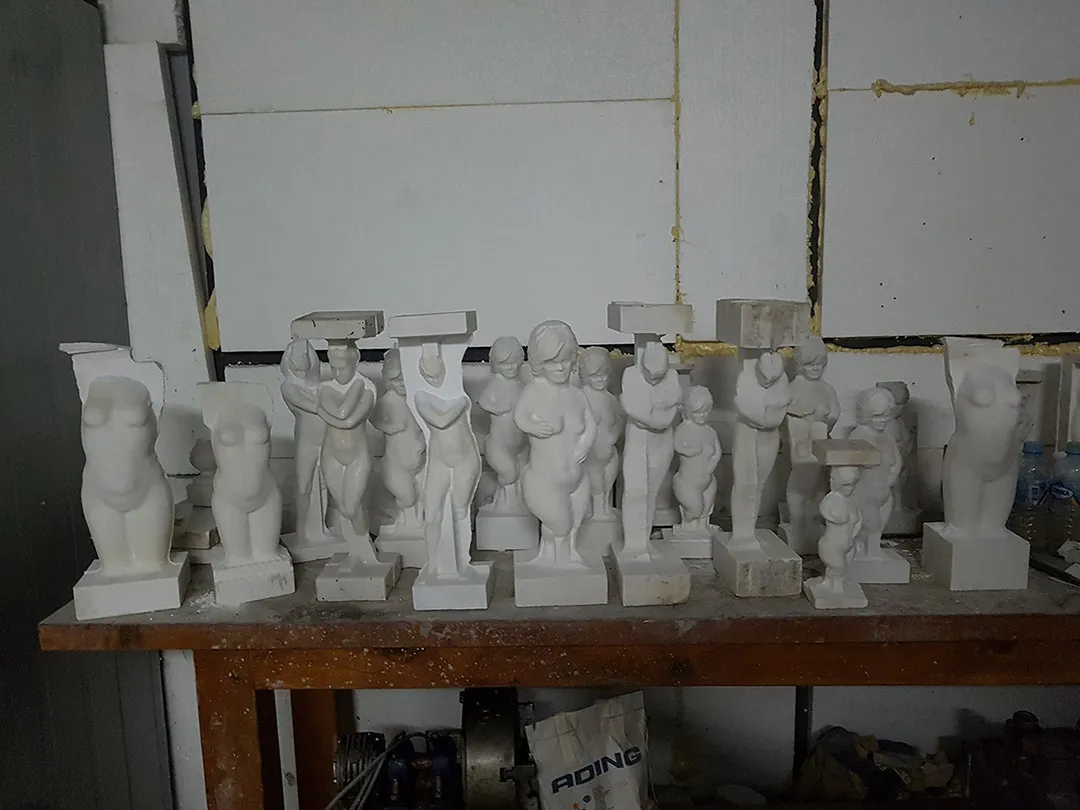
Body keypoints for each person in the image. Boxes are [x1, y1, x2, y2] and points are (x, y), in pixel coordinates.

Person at [514, 320, 597, 567]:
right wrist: (533, 427)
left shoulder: (576, 394)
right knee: (560, 524)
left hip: (577, 478)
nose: (560, 367)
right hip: (544, 480)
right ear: (539, 363)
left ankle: (564, 556)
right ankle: (553, 557)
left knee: (574, 524)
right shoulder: (533, 392)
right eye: (551, 362)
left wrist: (585, 444)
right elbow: (519, 417)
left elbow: (591, 424)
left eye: (565, 360)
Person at [414, 352, 481, 573]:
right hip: (439, 461)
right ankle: (433, 562)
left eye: (437, 375)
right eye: (429, 376)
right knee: (432, 513)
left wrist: (460, 403)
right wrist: (458, 405)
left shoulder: (459, 396)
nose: (435, 381)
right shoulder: (421, 397)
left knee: (461, 510)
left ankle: (462, 562)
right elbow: (440, 421)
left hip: (465, 459)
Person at [317, 342, 377, 556]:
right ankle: (356, 551)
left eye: (342, 368)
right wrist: (335, 414)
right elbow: (341, 415)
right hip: (331, 455)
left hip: (357, 456)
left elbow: (346, 417)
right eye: (333, 368)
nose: (337, 373)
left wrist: (323, 413)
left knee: (352, 506)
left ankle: (365, 549)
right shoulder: (325, 387)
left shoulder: (367, 387)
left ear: (354, 362)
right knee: (343, 508)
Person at [280, 339, 328, 546]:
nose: (302, 373)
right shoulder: (288, 387)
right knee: (304, 485)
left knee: (324, 484)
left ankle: (321, 529)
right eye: (297, 368)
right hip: (306, 441)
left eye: (305, 368)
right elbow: (313, 407)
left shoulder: (319, 386)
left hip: (325, 441)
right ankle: (302, 530)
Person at [371, 348, 425, 529]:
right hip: (396, 465)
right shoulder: (387, 401)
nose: (402, 383)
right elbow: (374, 418)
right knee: (407, 497)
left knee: (423, 497)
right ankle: (399, 517)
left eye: (405, 377)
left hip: (420, 463)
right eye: (396, 379)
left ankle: (411, 524)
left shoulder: (416, 399)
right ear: (387, 379)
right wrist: (390, 427)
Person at [478, 336, 528, 509]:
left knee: (523, 474)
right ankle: (502, 500)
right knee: (509, 474)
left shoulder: (520, 386)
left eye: (513, 363)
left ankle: (515, 503)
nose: (510, 367)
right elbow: (482, 401)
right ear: (495, 365)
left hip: (521, 445)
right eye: (505, 364)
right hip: (499, 445)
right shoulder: (495, 385)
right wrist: (496, 408)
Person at [578, 347, 624, 517]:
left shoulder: (610, 398)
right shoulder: (582, 397)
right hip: (591, 453)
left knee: (608, 479)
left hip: (609, 451)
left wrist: (614, 435)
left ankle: (604, 507)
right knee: (595, 481)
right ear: (585, 375)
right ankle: (595, 510)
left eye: (604, 375)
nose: (601, 379)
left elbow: (620, 419)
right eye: (595, 375)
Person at [672, 386, 721, 532]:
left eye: (706, 412)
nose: (703, 415)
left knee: (706, 509)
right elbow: (675, 444)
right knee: (695, 510)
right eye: (698, 412)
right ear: (688, 411)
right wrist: (688, 451)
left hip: (708, 480)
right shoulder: (683, 429)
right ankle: (686, 524)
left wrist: (712, 464)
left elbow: (718, 451)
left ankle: (702, 528)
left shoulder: (710, 431)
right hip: (687, 482)